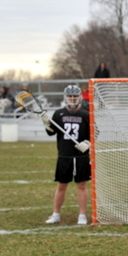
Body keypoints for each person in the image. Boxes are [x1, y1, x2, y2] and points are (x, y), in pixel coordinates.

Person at [42, 85, 91, 226]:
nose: (73, 98)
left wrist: (87, 143)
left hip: (81, 156)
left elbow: (95, 133)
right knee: (62, 185)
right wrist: (46, 124)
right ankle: (55, 214)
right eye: (70, 96)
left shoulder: (86, 114)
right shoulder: (59, 114)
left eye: (75, 96)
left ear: (80, 97)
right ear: (66, 97)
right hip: (64, 155)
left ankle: (82, 216)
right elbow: (51, 132)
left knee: (81, 185)